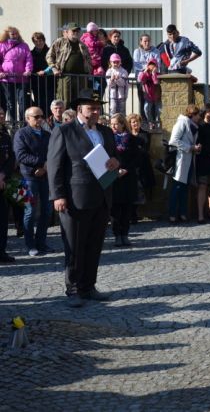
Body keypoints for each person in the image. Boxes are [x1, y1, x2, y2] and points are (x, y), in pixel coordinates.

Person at [47, 88, 120, 307]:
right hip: (75, 198)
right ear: (80, 109)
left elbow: (112, 159)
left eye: (98, 108)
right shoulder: (65, 131)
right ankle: (73, 289)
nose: (96, 111)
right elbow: (54, 165)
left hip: (102, 196)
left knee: (94, 244)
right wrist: (57, 195)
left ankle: (89, 286)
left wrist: (116, 164)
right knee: (74, 245)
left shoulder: (106, 132)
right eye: (92, 108)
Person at [14, 106, 53, 256]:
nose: (39, 119)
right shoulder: (21, 134)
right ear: (27, 118)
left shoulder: (47, 134)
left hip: (45, 177)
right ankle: (30, 245)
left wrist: (45, 166)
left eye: (41, 116)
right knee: (30, 212)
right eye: (36, 117)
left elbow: (53, 153)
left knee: (47, 211)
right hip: (28, 178)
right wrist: (40, 164)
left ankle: (41, 242)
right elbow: (21, 155)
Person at [109, 113, 139, 247]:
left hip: (128, 176)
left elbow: (136, 157)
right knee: (115, 208)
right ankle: (117, 235)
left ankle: (125, 234)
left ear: (122, 124)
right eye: (112, 123)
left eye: (116, 123)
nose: (113, 126)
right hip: (114, 177)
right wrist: (116, 170)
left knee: (127, 208)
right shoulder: (108, 139)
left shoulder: (132, 139)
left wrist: (126, 169)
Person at [168, 104, 201, 223]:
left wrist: (196, 148)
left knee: (185, 188)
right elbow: (173, 140)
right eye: (197, 115)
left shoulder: (193, 125)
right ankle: (172, 214)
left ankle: (182, 213)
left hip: (189, 160)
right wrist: (190, 147)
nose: (199, 117)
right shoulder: (182, 122)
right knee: (177, 187)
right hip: (180, 160)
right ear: (192, 115)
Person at [46, 22, 91, 105]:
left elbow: (88, 60)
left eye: (77, 31)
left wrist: (88, 71)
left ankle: (78, 118)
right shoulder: (59, 42)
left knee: (80, 102)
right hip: (65, 76)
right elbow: (49, 56)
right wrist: (54, 68)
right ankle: (65, 118)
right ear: (67, 32)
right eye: (73, 31)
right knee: (65, 101)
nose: (76, 33)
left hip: (81, 77)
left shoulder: (82, 45)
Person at [0, 26, 33, 123]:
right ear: (7, 34)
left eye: (16, 33)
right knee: (10, 103)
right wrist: (1, 72)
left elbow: (28, 59)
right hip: (6, 79)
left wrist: (28, 70)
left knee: (23, 102)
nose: (14, 35)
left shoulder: (24, 45)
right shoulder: (2, 45)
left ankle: (23, 122)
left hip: (21, 79)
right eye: (12, 33)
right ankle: (12, 123)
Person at [126, 113, 154, 224]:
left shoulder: (145, 134)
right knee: (131, 190)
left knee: (140, 190)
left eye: (137, 122)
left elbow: (145, 150)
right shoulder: (127, 135)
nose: (135, 124)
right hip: (130, 166)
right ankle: (131, 214)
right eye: (133, 122)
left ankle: (134, 213)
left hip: (142, 166)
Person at [0, 108, 15, 263]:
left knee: (3, 219)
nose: (2, 117)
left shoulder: (5, 134)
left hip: (5, 182)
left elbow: (11, 157)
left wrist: (3, 175)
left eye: (3, 115)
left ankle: (2, 251)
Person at [132, 34, 159, 117]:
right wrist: (147, 68)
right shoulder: (137, 51)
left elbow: (157, 63)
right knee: (142, 98)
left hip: (152, 76)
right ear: (141, 42)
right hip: (141, 76)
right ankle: (143, 119)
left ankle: (152, 119)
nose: (147, 43)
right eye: (145, 41)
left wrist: (151, 69)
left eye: (148, 41)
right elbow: (136, 64)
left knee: (152, 98)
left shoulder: (155, 51)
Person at [29, 32, 55, 112]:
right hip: (36, 82)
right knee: (38, 102)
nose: (38, 43)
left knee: (49, 102)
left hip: (49, 81)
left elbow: (53, 63)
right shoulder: (31, 53)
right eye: (36, 41)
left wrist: (44, 71)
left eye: (40, 40)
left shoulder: (50, 51)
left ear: (44, 41)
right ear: (33, 42)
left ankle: (49, 120)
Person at [137, 58, 161, 129]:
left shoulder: (158, 74)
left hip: (157, 97)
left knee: (158, 111)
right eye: (150, 65)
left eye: (153, 65)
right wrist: (144, 71)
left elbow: (156, 82)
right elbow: (140, 79)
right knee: (146, 109)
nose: (151, 67)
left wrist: (153, 74)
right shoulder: (145, 74)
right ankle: (150, 123)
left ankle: (157, 124)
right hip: (148, 96)